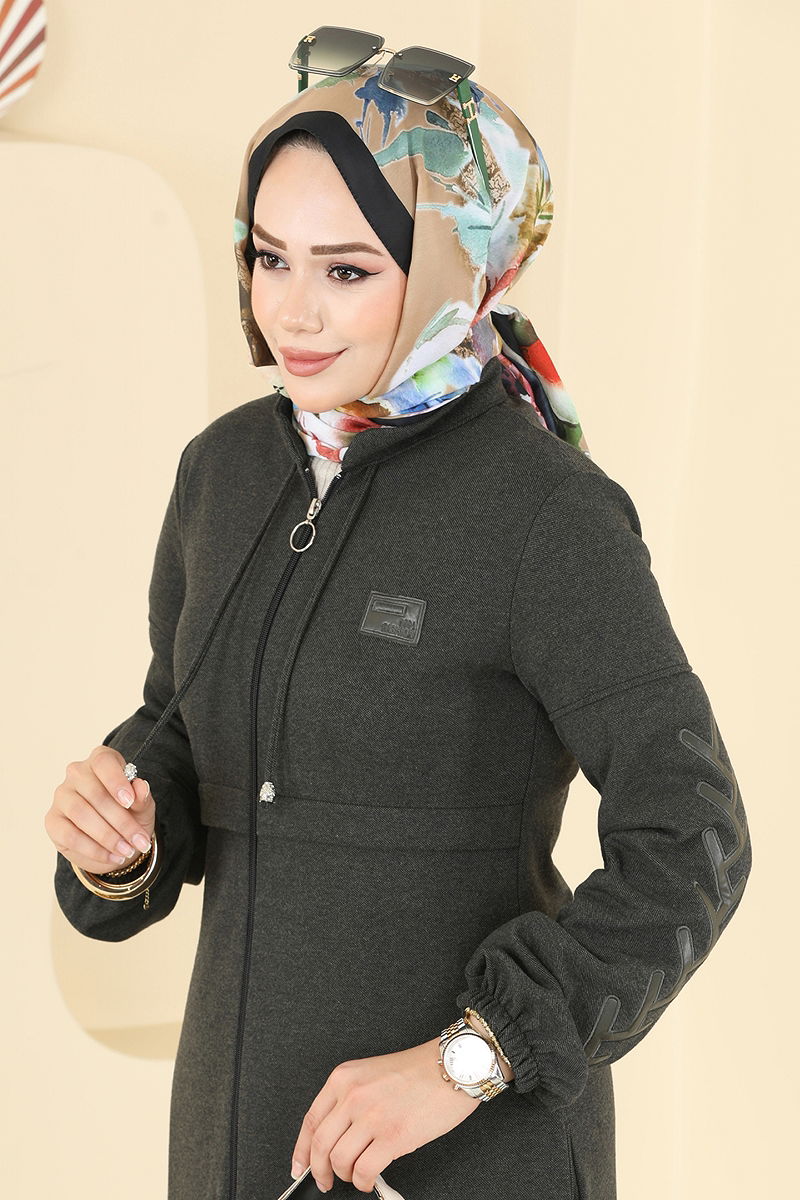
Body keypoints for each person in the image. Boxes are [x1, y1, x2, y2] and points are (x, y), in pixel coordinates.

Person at [46, 45, 752, 1200]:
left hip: (470, 1158)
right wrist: (124, 835)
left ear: (447, 267)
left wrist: (468, 1058)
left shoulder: (544, 515)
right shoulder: (223, 473)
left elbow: (694, 841)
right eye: (269, 256)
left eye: (346, 269)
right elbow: (181, 726)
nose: (292, 309)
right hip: (239, 1142)